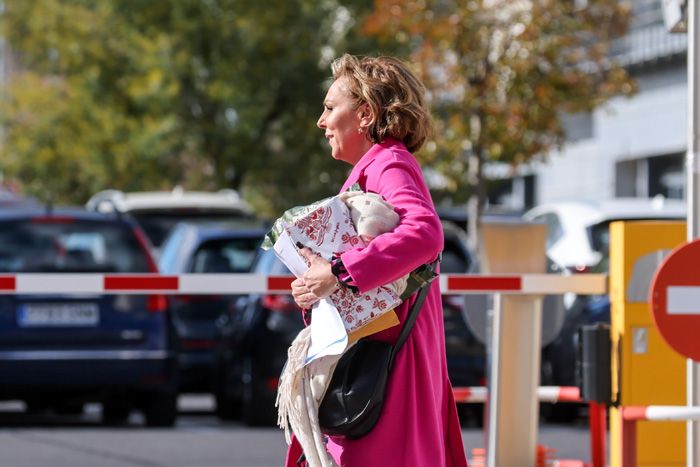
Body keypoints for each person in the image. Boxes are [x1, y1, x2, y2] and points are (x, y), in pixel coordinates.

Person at [288, 54, 468, 467]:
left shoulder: (389, 161)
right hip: (378, 361)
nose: (321, 121)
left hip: (387, 367)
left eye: (331, 108)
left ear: (365, 114)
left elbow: (425, 233)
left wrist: (335, 273)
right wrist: (314, 285)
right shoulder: (377, 166)